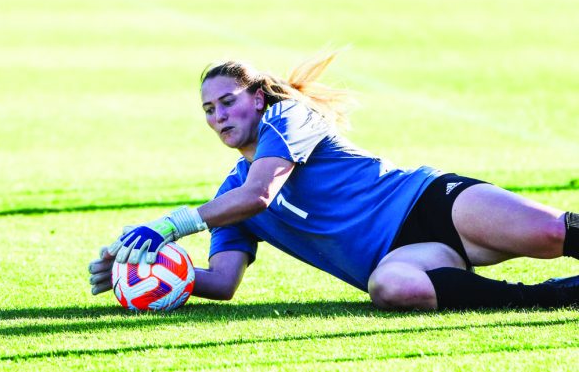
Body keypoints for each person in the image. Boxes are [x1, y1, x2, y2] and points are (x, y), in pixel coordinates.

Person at [88, 52, 579, 310]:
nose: (219, 116)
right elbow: (222, 282)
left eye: (228, 101)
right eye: (208, 110)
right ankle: (552, 296)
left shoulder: (289, 118)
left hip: (431, 202)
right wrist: (152, 274)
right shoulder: (228, 199)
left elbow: (261, 194)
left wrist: (169, 226)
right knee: (390, 289)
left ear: (258, 98)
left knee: (554, 234)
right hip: (399, 256)